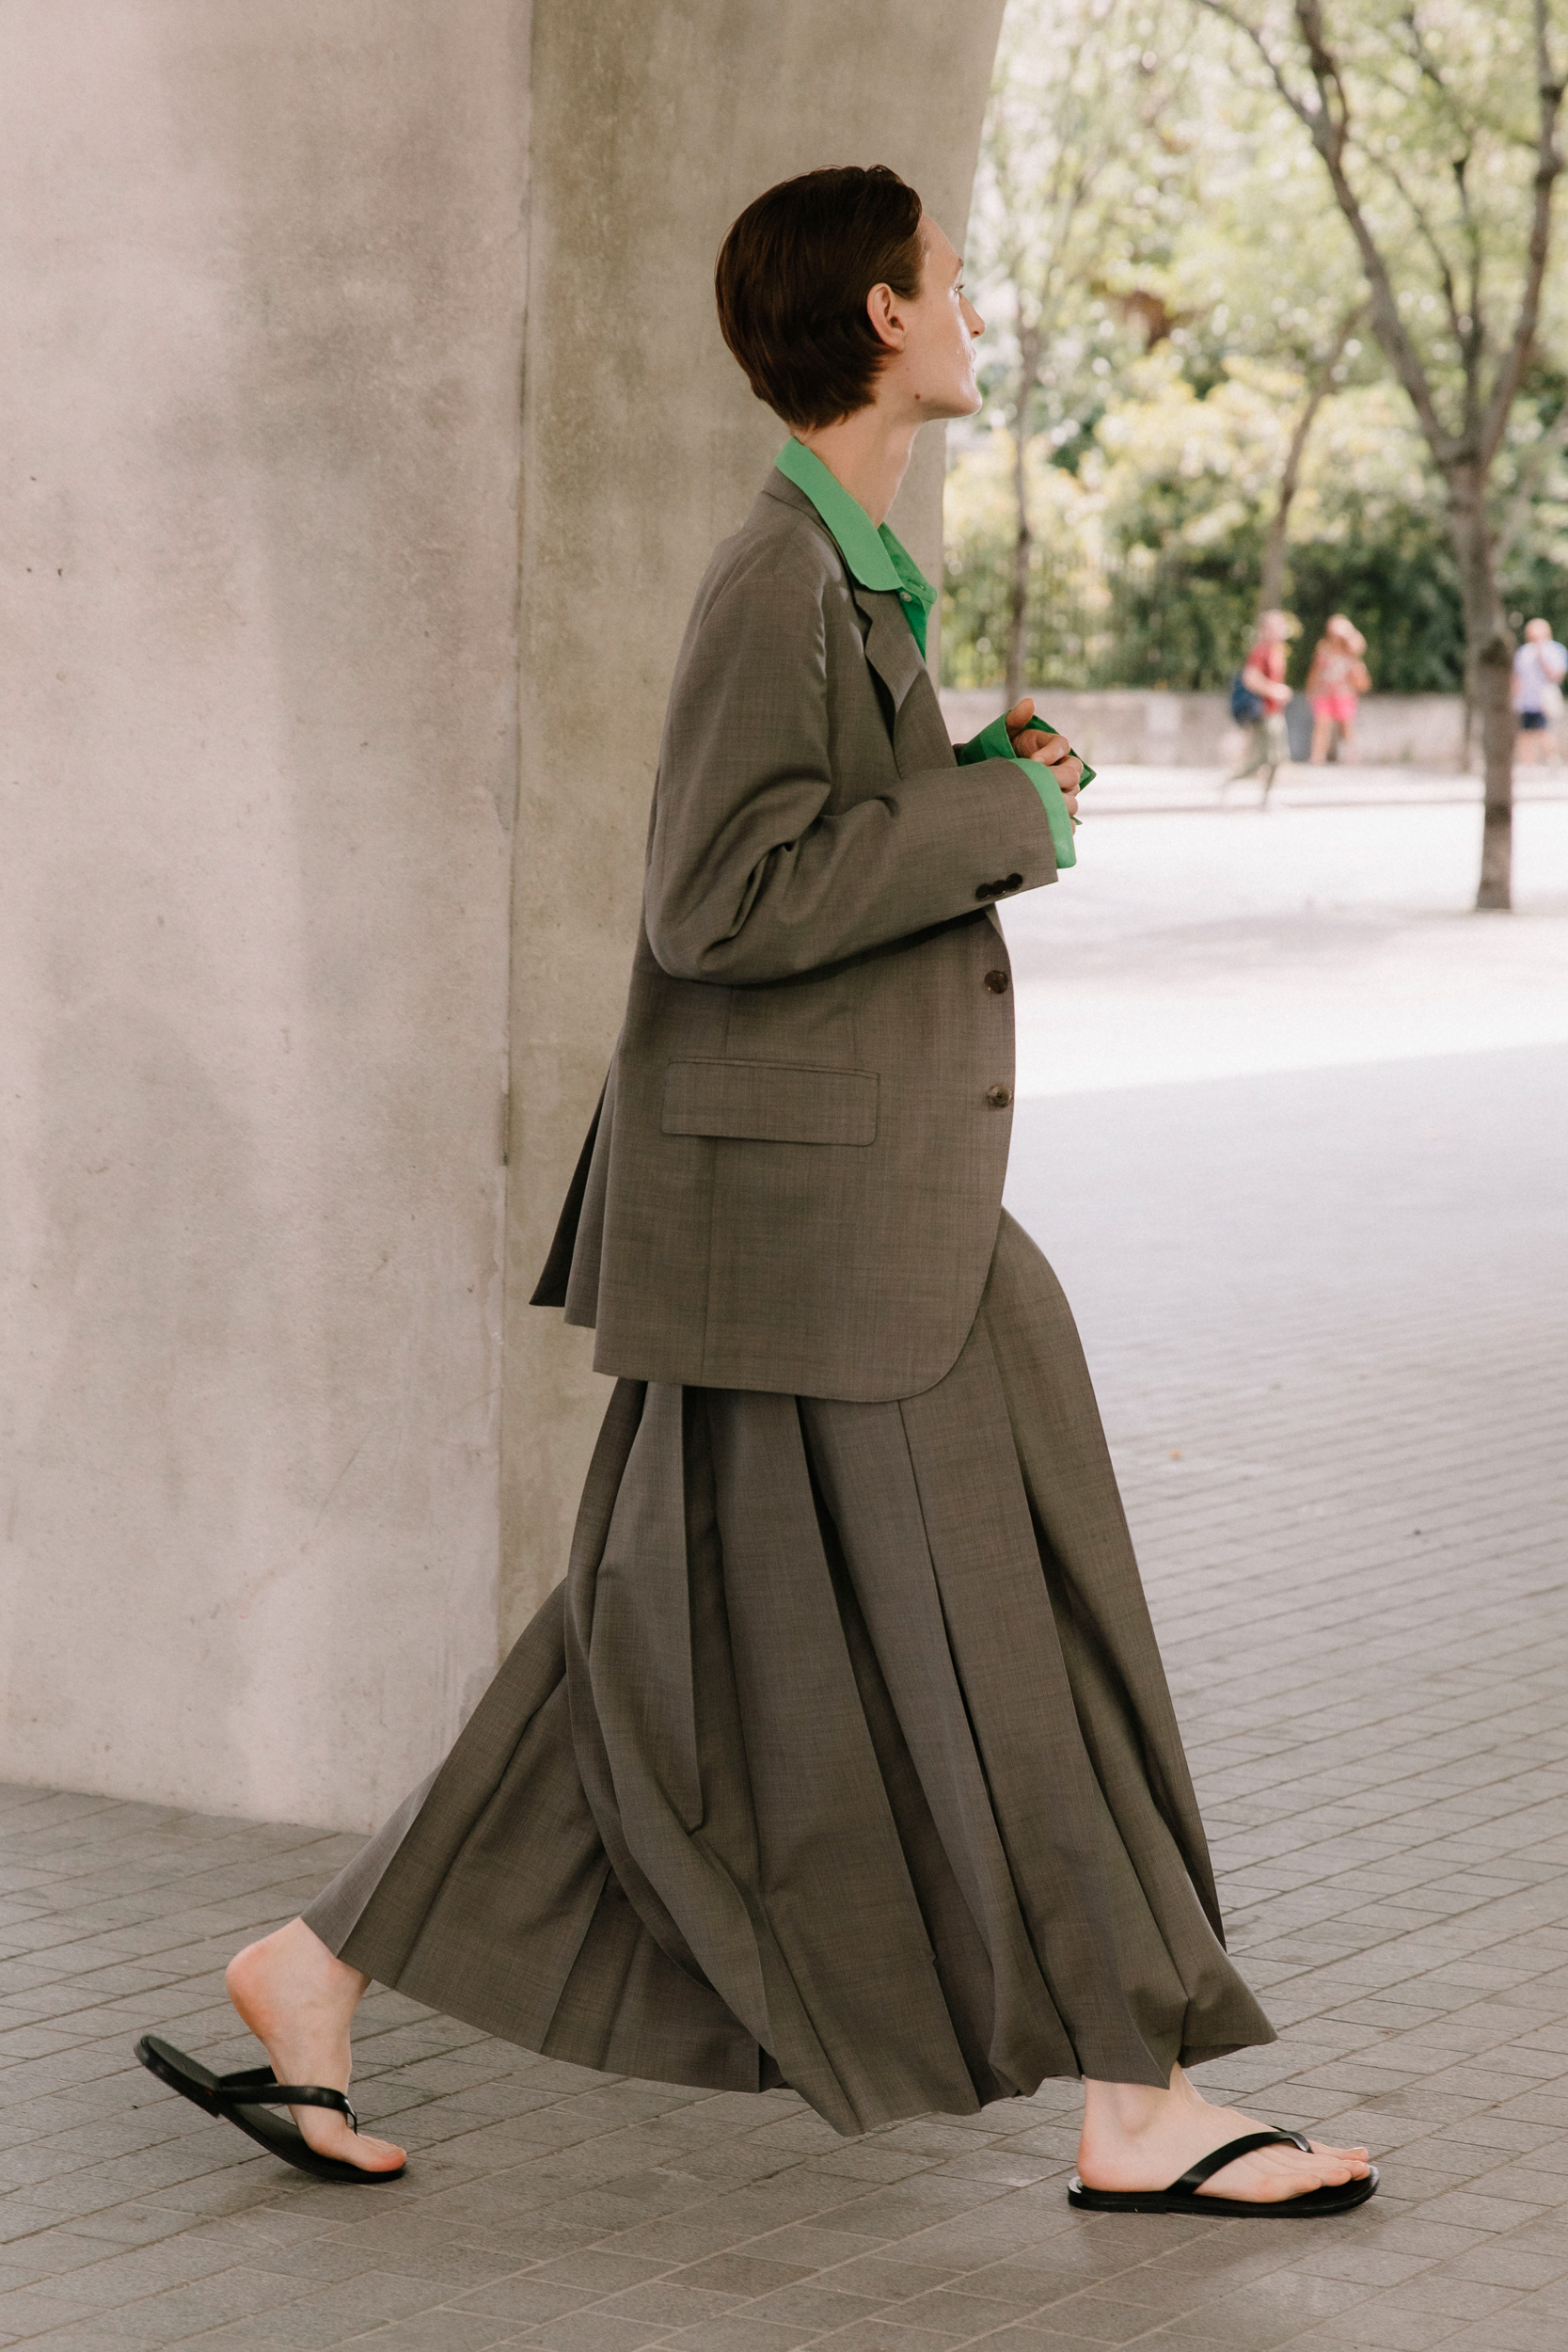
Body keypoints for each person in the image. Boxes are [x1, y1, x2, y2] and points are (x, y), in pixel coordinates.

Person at [135, 166, 1374, 2219]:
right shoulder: (775, 580)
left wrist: (978, 781)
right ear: (881, 318)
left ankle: (315, 1960)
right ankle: (1134, 2095)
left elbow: (805, 846)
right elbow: (715, 899)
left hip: (821, 1221)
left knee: (644, 1634)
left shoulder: (844, 571)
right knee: (1005, 1605)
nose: (971, 312)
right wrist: (999, 817)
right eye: (951, 283)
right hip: (817, 1233)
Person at [1230, 609, 1293, 794]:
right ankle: (1228, 783)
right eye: (1276, 626)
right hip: (1265, 711)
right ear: (1266, 629)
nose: (1281, 630)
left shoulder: (1277, 651)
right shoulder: (1261, 651)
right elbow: (1250, 678)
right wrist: (1275, 691)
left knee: (1277, 757)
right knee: (1267, 758)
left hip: (1275, 711)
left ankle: (1266, 798)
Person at [1306, 613, 1370, 764]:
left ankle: (1352, 757)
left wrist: (1347, 632)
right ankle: (1317, 758)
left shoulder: (1350, 648)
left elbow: (1360, 646)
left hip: (1344, 692)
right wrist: (1311, 689)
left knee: (1347, 726)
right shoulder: (1323, 646)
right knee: (1322, 724)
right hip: (1324, 692)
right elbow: (1315, 670)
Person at [1513, 615, 1567, 763]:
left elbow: (1557, 675)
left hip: (1546, 696)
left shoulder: (1555, 650)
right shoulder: (1524, 652)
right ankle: (1527, 763)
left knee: (1545, 730)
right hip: (1527, 699)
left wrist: (1541, 656)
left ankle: (1553, 759)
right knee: (1525, 732)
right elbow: (1517, 676)